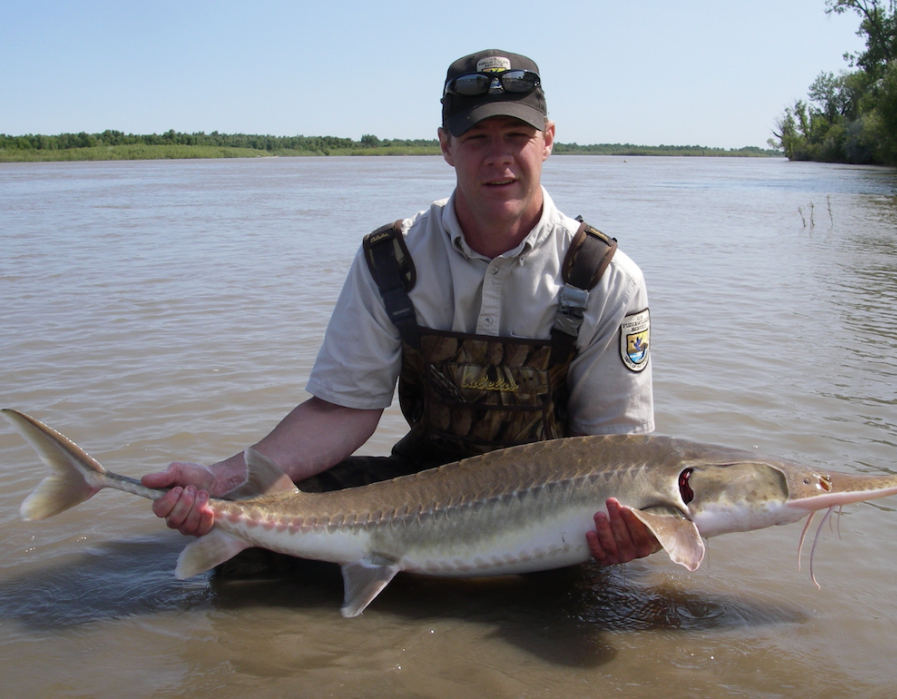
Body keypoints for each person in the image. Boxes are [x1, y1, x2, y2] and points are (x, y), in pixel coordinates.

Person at [143, 49, 659, 568]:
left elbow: (618, 454)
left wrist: (637, 529)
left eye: (516, 136)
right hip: (420, 488)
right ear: (446, 146)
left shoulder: (605, 278)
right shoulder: (391, 259)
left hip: (549, 510)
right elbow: (343, 407)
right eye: (477, 138)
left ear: (547, 140)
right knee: (250, 528)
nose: (498, 157)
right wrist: (221, 478)